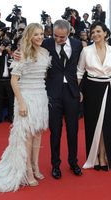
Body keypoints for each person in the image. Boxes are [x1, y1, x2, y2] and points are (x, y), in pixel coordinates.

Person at [0, 23, 51, 192]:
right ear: (29, 36)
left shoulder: (45, 53)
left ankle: (36, 166)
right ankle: (28, 170)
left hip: (41, 96)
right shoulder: (21, 54)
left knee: (37, 134)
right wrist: (21, 103)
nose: (39, 36)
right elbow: (14, 81)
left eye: (42, 33)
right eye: (36, 34)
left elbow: (43, 76)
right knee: (27, 136)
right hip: (26, 97)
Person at [42, 19, 83, 179]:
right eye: (55, 36)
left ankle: (73, 162)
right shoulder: (46, 43)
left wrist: (80, 90)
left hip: (72, 92)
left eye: (62, 37)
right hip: (53, 93)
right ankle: (55, 165)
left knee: (73, 130)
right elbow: (30, 49)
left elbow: (82, 68)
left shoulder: (78, 45)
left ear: (69, 33)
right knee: (55, 131)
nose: (58, 39)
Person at [77, 21, 111, 171]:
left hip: (108, 89)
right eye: (93, 32)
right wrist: (77, 90)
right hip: (91, 88)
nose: (95, 34)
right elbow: (79, 72)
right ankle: (94, 156)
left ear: (105, 33)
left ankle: (103, 156)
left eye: (98, 31)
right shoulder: (86, 51)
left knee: (106, 125)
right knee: (92, 123)